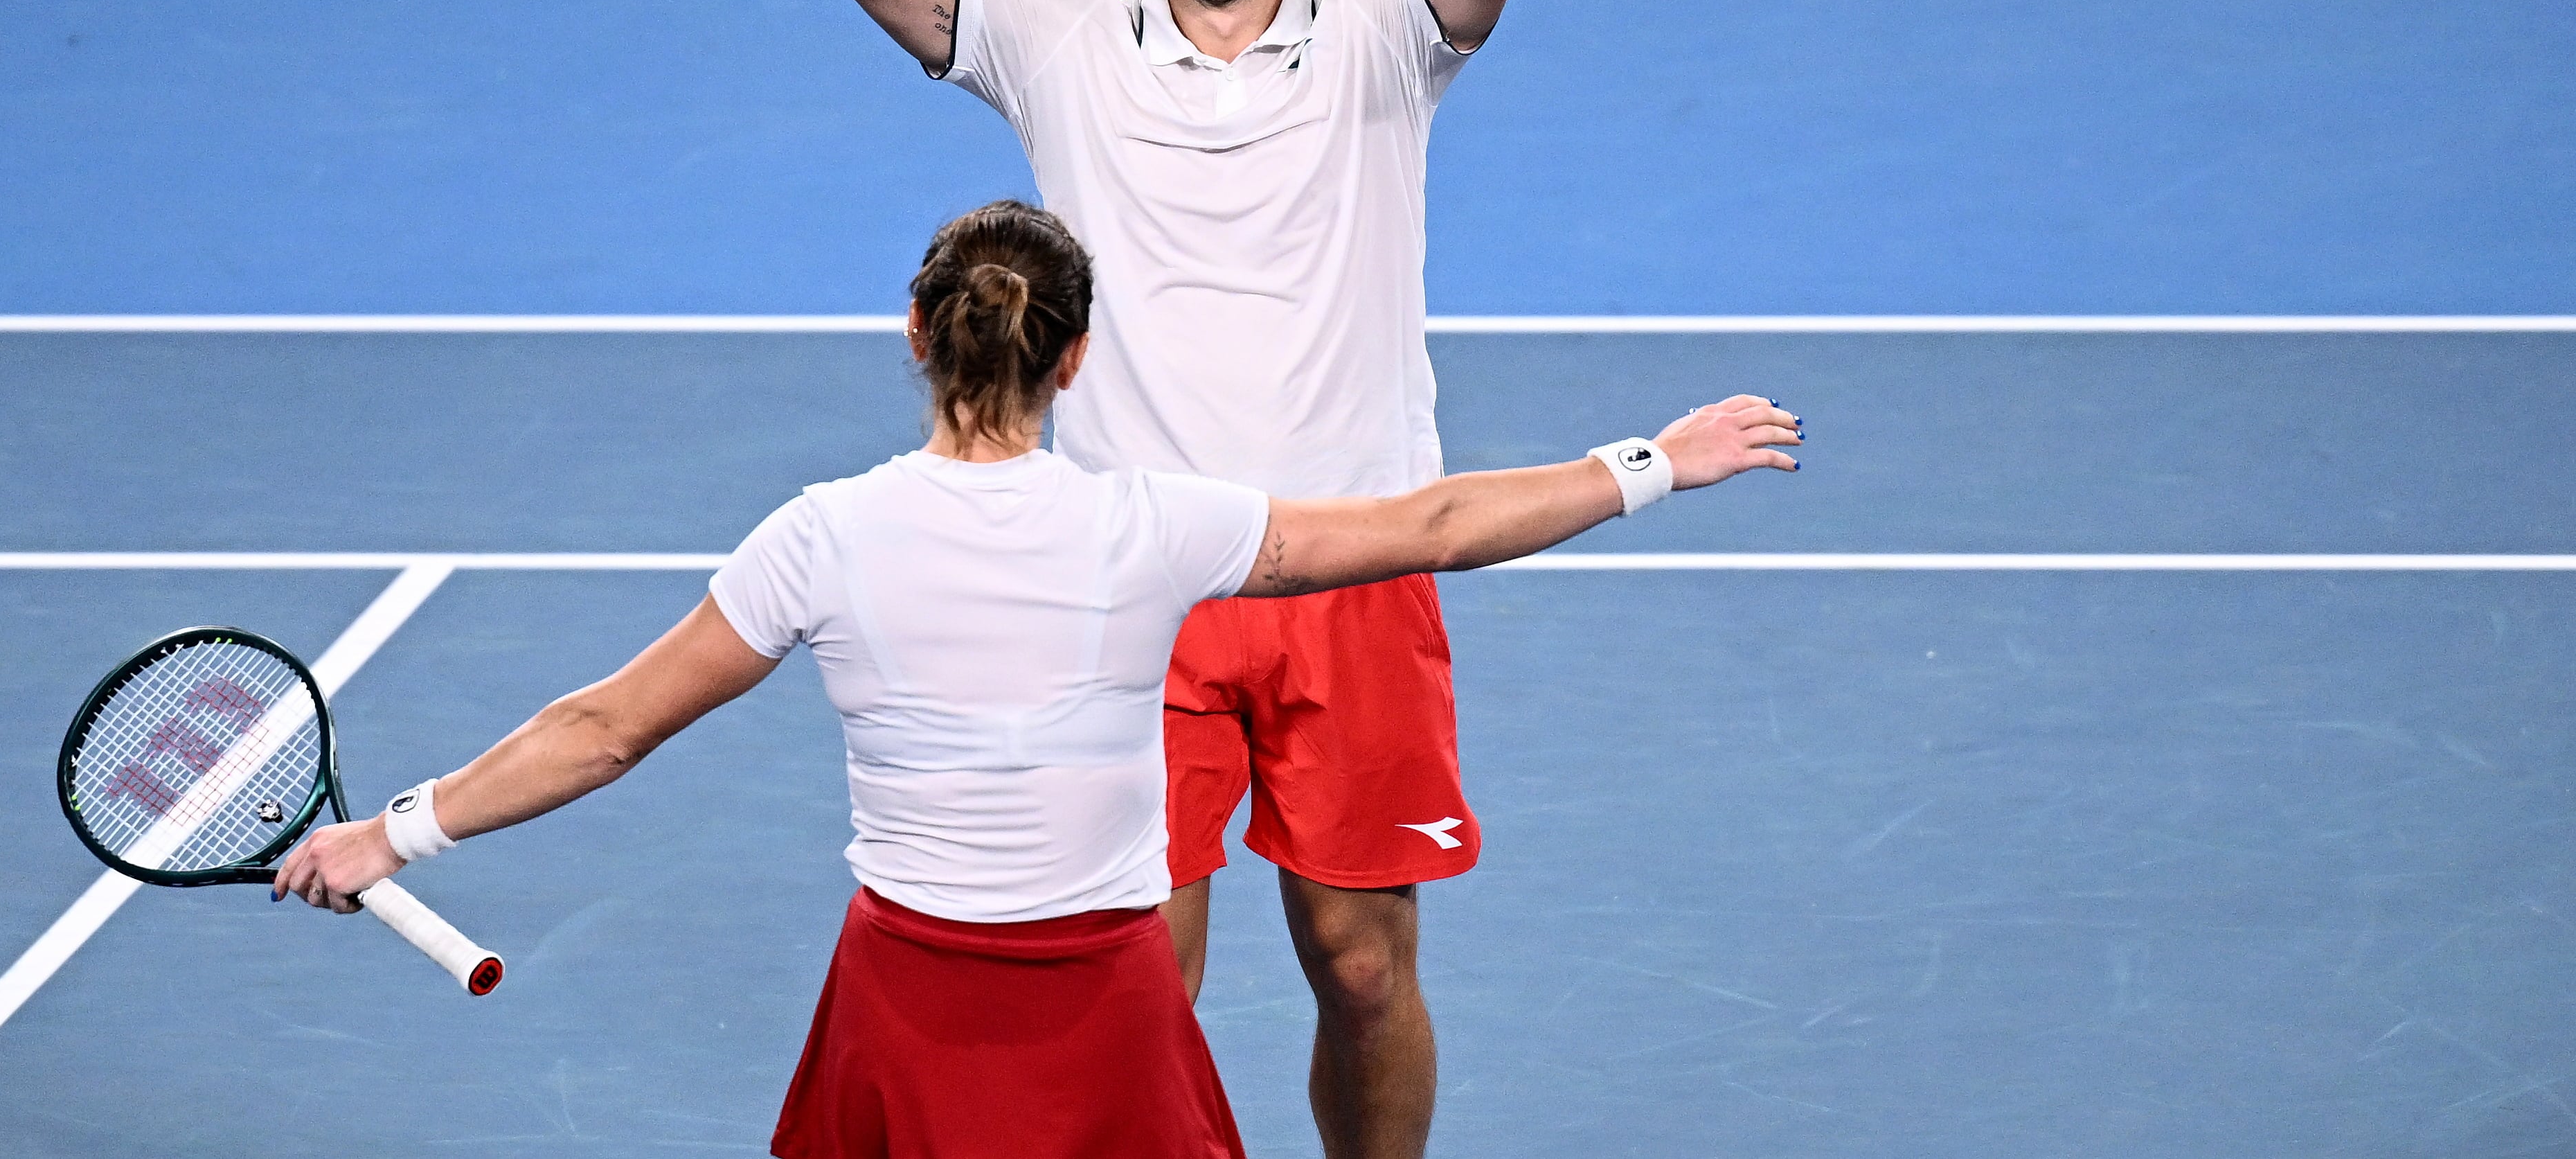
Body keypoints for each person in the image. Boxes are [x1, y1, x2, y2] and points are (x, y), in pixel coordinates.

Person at [623, 0, 1611, 1158]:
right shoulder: (1063, 44)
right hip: (1145, 581)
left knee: (1364, 967)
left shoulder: (1380, 36)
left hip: (1353, 568)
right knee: (1146, 974)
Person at [277, 201, 1798, 1158]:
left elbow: (603, 729)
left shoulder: (823, 538)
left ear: (916, 341)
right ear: (1075, 363)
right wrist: (1655, 461)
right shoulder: (1156, 525)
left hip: (903, 1000)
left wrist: (390, 833)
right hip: (1107, 1005)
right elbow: (1436, 524)